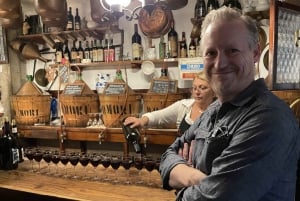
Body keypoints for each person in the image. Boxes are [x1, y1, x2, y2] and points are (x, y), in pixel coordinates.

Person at [159, 6, 300, 201]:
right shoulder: (213, 110)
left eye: (232, 50)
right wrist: (197, 178)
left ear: (255, 53)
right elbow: (167, 156)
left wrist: (185, 183)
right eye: (211, 53)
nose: (219, 63)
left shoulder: (268, 118)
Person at [123, 71, 216, 136]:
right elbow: (158, 116)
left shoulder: (220, 112)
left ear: (214, 91)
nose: (197, 92)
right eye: (194, 88)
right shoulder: (184, 106)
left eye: (202, 88)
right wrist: (141, 121)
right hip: (181, 160)